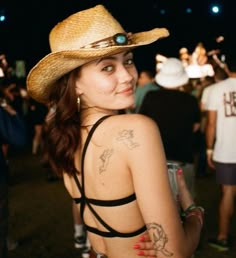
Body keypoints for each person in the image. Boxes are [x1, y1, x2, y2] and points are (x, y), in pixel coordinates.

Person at [26, 5, 204, 258]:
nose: (127, 76)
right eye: (107, 67)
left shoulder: (67, 137)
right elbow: (173, 253)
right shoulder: (138, 129)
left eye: (128, 61)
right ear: (74, 83)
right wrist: (194, 215)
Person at [140, 58, 201, 198]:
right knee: (186, 204)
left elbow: (143, 123)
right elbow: (196, 127)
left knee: (158, 202)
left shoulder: (150, 97)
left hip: (155, 160)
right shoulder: (190, 100)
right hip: (183, 159)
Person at [205, 56, 236, 251]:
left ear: (226, 66)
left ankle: (223, 237)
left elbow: (211, 123)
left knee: (228, 192)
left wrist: (209, 149)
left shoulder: (216, 89)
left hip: (226, 149)